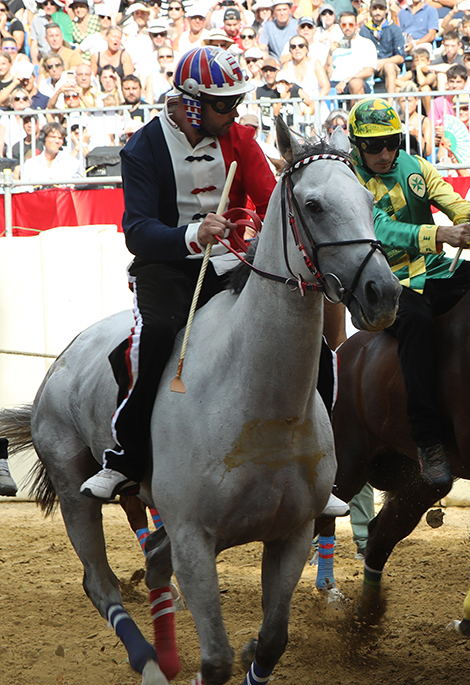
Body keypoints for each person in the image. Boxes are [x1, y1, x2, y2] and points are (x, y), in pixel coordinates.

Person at [80, 46, 344, 517]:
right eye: (224, 104)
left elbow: (271, 200)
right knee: (155, 335)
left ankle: (319, 467)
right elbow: (137, 231)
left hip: (233, 266)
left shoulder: (240, 138)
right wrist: (191, 234)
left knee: (317, 348)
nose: (234, 112)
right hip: (164, 269)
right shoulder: (143, 148)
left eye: (236, 102)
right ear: (191, 102)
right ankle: (126, 457)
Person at [346, 98, 470, 488]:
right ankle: (428, 442)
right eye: (373, 147)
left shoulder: (417, 166)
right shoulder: (350, 181)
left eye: (391, 142)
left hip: (436, 272)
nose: (384, 154)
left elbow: (454, 204)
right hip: (385, 283)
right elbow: (380, 227)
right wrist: (439, 234)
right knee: (417, 321)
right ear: (357, 145)